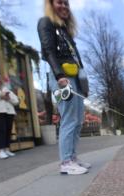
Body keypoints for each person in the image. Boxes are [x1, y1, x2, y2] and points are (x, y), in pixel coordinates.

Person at [38, 0, 91, 175]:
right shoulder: (46, 22)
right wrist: (59, 75)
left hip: (75, 77)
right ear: (51, 5)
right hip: (61, 76)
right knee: (69, 118)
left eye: (67, 4)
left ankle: (73, 157)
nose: (64, 6)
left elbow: (76, 58)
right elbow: (48, 50)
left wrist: (84, 84)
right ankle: (66, 162)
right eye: (60, 2)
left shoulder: (65, 30)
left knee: (77, 120)